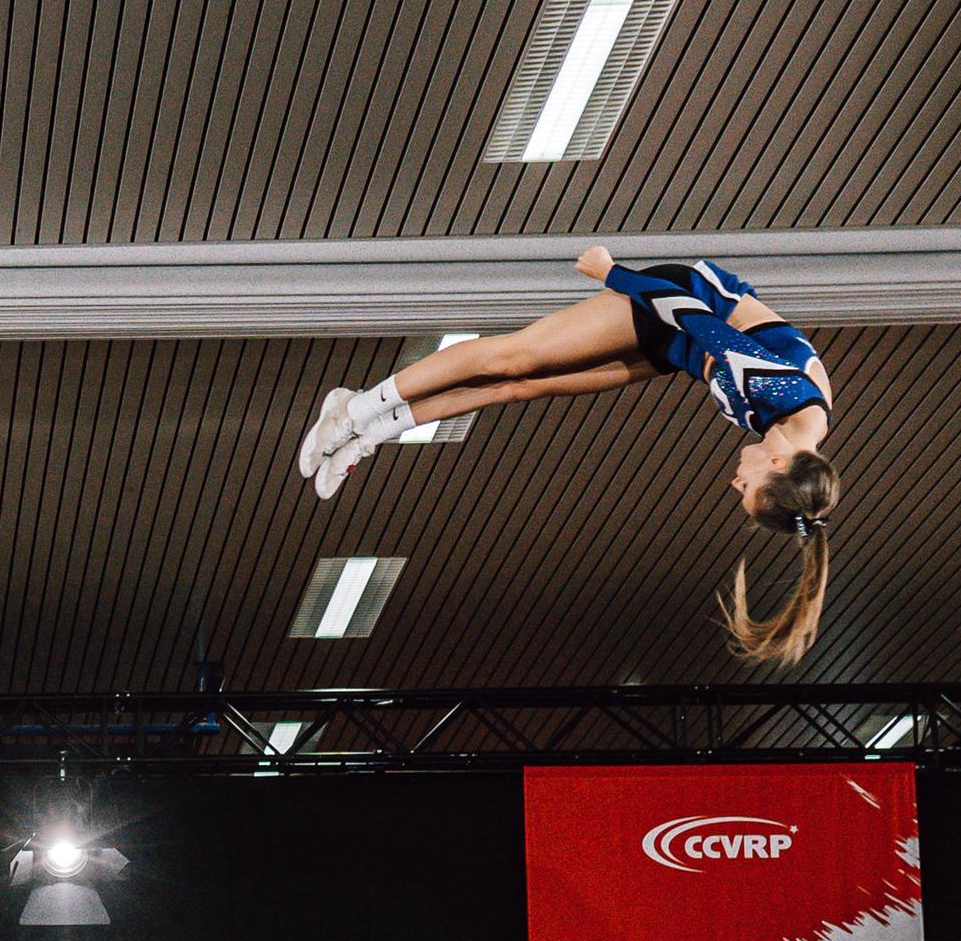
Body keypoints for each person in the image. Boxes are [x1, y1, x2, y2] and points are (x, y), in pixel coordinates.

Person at [298, 248, 837, 663]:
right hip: (678, 303)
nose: (734, 482)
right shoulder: (784, 393)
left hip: (680, 350)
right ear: (778, 465)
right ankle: (354, 407)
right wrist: (615, 275)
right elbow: (698, 319)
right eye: (746, 489)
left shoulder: (788, 430)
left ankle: (368, 436)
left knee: (523, 389)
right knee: (516, 358)